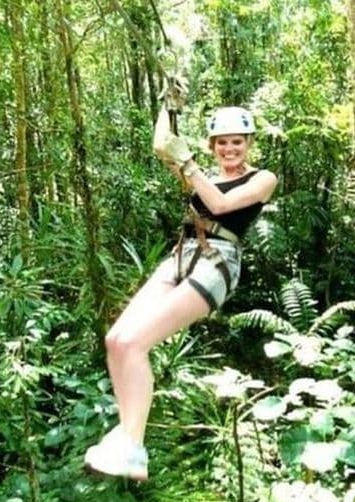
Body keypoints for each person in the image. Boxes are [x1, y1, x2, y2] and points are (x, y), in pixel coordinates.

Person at [84, 106, 278, 481]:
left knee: (136, 345)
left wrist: (187, 163)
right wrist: (167, 102)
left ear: (249, 143)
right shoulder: (201, 175)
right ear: (212, 146)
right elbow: (162, 146)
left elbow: (220, 205)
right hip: (182, 255)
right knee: (117, 341)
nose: (229, 149)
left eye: (237, 141)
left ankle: (134, 449)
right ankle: (128, 437)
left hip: (218, 262)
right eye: (222, 143)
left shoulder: (262, 179)